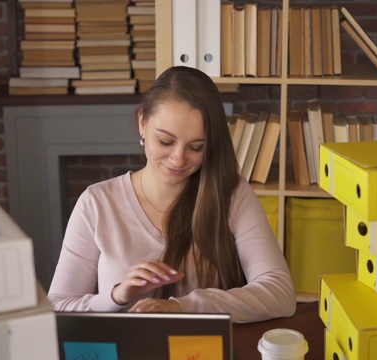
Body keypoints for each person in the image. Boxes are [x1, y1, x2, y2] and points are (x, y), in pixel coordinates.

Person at [47, 66, 296, 323]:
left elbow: (280, 293)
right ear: (143, 123)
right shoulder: (97, 203)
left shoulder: (232, 194)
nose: (178, 159)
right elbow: (57, 307)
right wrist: (116, 296)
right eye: (166, 142)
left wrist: (183, 307)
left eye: (196, 147)